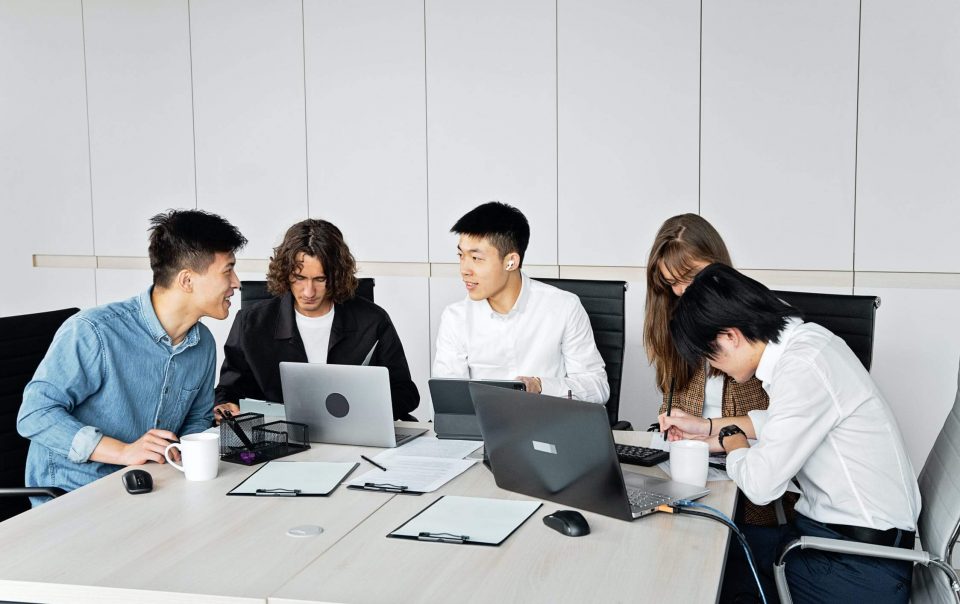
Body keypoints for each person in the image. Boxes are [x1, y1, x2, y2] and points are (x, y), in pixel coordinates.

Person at [661, 263, 921, 603]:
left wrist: (732, 440)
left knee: (705, 572)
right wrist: (709, 431)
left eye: (710, 357)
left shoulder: (803, 367)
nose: (713, 368)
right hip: (836, 541)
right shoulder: (807, 344)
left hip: (860, 566)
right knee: (708, 544)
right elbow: (782, 422)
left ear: (729, 336)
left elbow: (760, 486)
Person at [17, 209, 247, 503]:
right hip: (74, 495)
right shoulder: (94, 332)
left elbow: (194, 421)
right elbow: (35, 414)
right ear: (187, 281)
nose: (237, 283)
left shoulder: (201, 344)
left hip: (151, 487)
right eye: (228, 270)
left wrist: (190, 446)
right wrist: (124, 452)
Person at [214, 218, 419, 420]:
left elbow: (405, 393)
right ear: (286, 273)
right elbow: (227, 392)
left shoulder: (373, 320)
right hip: (279, 438)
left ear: (337, 276)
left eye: (320, 280)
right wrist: (224, 406)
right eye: (299, 278)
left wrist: (364, 409)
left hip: (353, 437)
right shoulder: (251, 323)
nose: (308, 292)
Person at [433, 201, 609, 403]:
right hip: (483, 432)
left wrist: (540, 386)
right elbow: (445, 401)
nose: (464, 269)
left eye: (476, 258)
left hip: (549, 428)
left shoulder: (564, 308)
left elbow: (597, 388)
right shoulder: (455, 318)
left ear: (511, 261)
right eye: (461, 255)